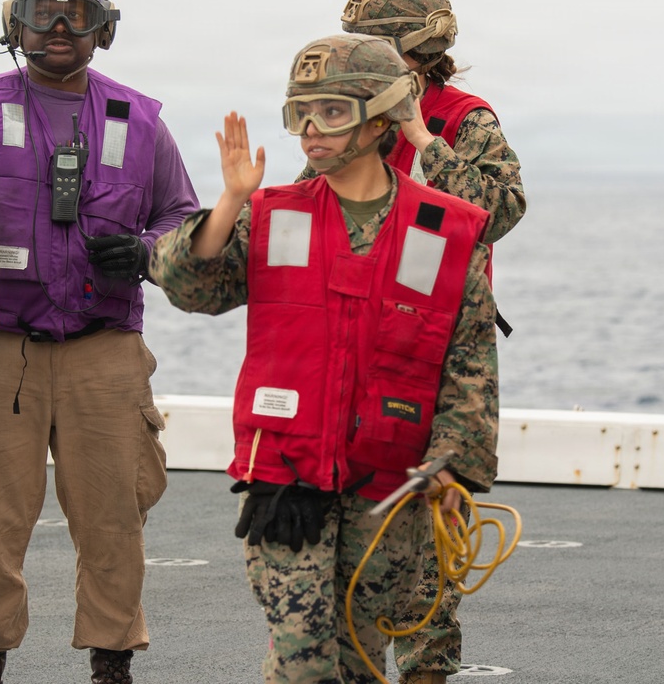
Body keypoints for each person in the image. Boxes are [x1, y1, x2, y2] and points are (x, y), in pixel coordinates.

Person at [150, 33, 499, 684]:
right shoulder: (273, 215)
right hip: (288, 481)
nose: (311, 131)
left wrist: (453, 466)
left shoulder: (444, 229)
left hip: (393, 489)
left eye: (332, 112)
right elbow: (190, 287)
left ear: (383, 114)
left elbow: (470, 359)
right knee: (303, 660)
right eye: (299, 115)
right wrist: (229, 201)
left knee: (360, 661)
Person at [0, 0, 199, 682]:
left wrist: (140, 251)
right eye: (44, 13)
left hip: (105, 349)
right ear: (16, 24)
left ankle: (111, 662)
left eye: (79, 14)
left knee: (113, 521)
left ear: (105, 28)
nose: (62, 28)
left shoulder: (139, 119)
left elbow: (183, 218)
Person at [335, 0, 527, 684]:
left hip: (441, 358)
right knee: (349, 544)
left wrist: (419, 136)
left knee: (429, 557)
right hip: (356, 352)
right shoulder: (348, 122)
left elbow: (499, 208)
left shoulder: (463, 119)